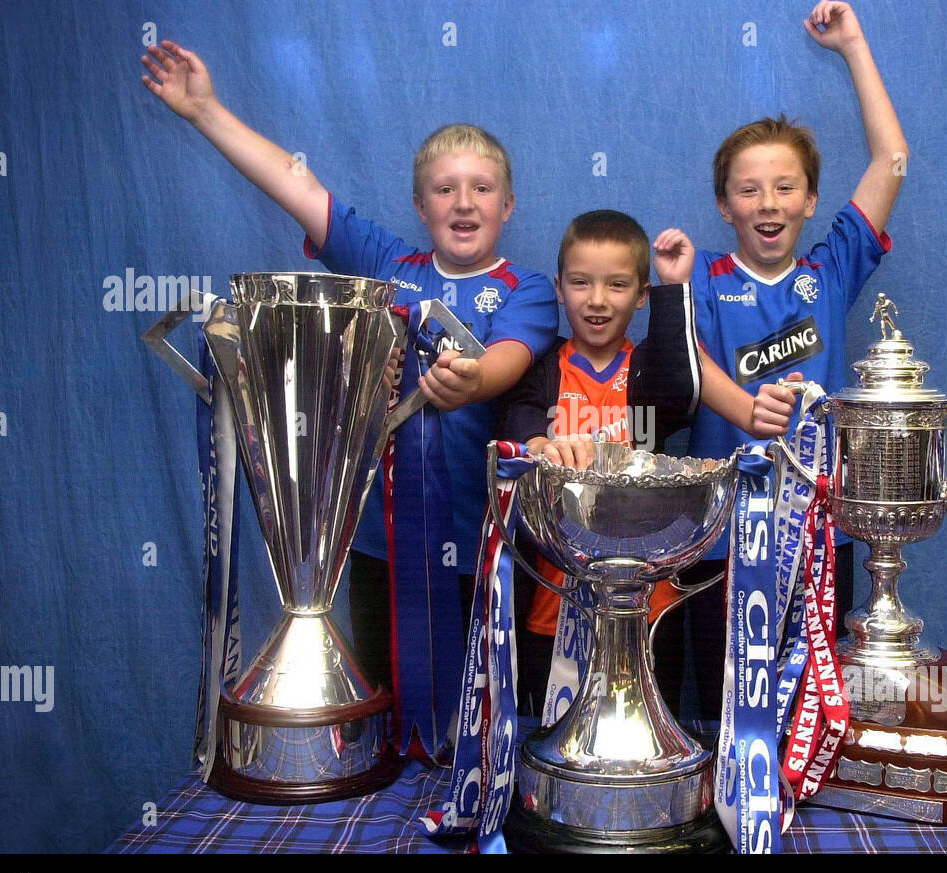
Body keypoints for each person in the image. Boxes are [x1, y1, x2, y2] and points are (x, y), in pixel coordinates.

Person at [140, 41, 558, 749]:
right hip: (379, 540)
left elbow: (504, 364)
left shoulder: (530, 290)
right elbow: (297, 186)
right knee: (387, 711)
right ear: (420, 204)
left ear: (509, 204)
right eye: (446, 188)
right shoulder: (386, 265)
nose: (464, 201)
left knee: (483, 719)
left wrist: (468, 381)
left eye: (482, 188)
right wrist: (206, 110)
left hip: (488, 541)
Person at [663, 1, 909, 720]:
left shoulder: (829, 273)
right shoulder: (701, 276)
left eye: (784, 187)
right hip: (722, 537)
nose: (767, 202)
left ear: (810, 201)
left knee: (806, 716)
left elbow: (891, 160)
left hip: (817, 535)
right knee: (723, 710)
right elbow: (683, 362)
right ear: (724, 204)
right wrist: (746, 409)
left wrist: (854, 46)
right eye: (749, 189)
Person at [499, 211, 755, 713]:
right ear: (559, 288)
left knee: (647, 729)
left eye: (617, 285)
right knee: (551, 732)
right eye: (580, 283)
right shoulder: (540, 366)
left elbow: (684, 387)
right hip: (554, 603)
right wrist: (540, 446)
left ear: (639, 295)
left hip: (648, 605)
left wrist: (672, 289)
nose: (597, 300)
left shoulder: (648, 371)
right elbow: (515, 426)